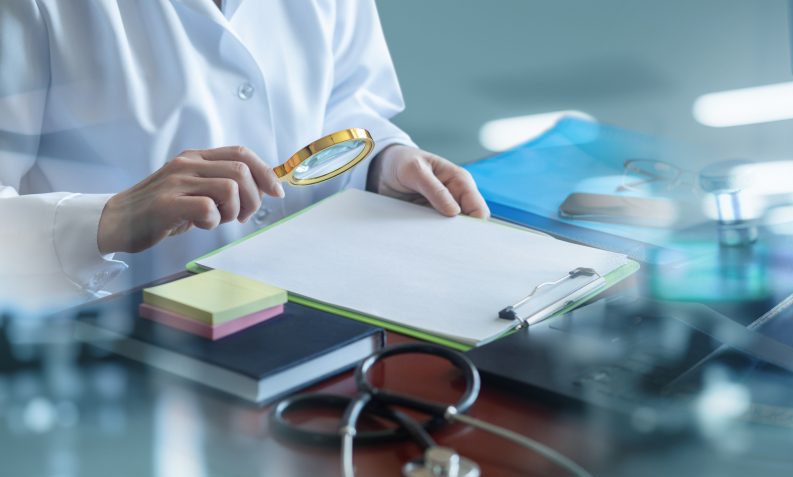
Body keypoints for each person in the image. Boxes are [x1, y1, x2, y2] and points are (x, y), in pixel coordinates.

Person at [0, 0, 488, 310]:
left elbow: (343, 102)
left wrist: (381, 161)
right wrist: (104, 221)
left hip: (312, 309)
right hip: (112, 349)